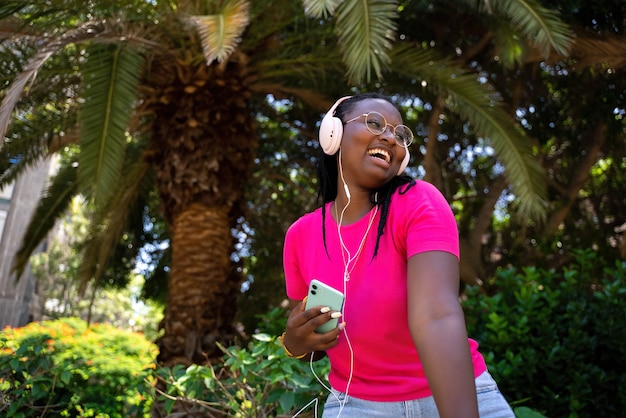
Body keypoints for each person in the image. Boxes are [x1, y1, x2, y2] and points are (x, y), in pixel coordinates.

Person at [280, 93, 515, 417]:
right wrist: (296, 342)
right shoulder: (301, 236)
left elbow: (436, 315)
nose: (390, 136)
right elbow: (313, 345)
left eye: (399, 133)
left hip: (455, 393)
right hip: (357, 405)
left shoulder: (419, 201)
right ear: (332, 134)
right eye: (375, 123)